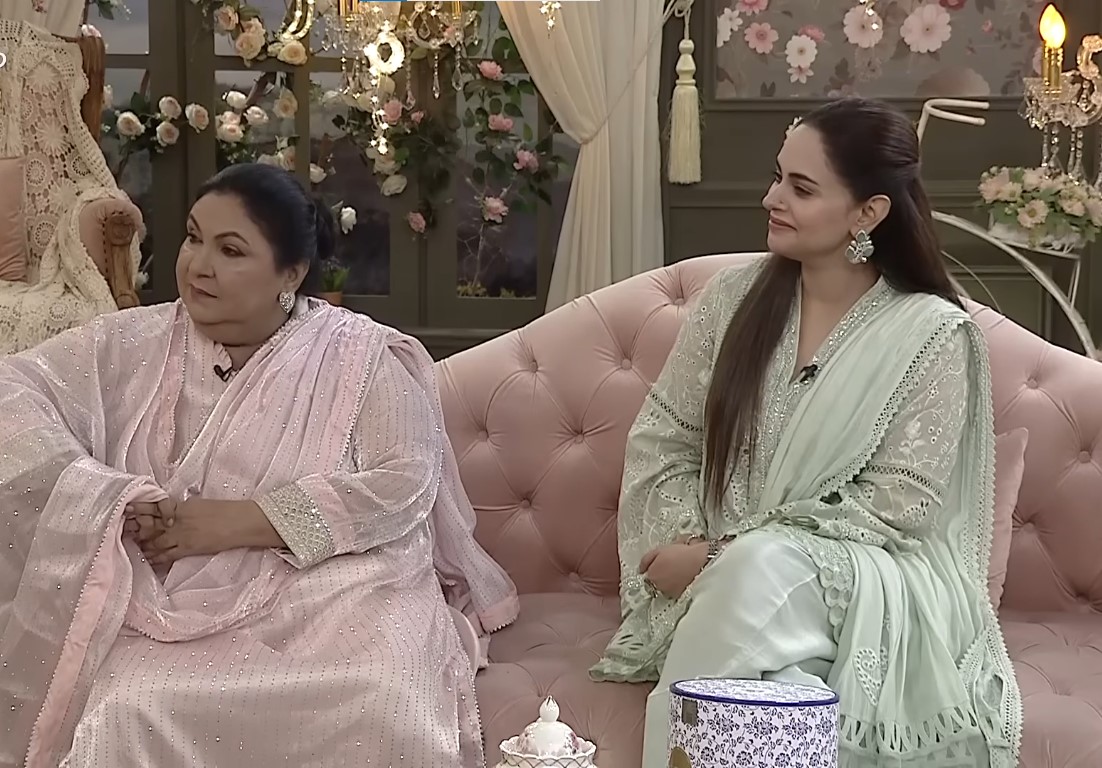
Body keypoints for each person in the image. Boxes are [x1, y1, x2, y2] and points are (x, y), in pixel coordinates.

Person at [0, 163, 519, 768]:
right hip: (177, 594)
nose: (198, 265)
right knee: (130, 705)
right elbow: (14, 393)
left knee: (386, 697)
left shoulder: (360, 354)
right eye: (193, 238)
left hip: (340, 587)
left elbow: (404, 482)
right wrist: (110, 494)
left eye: (230, 250)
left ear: (290, 274)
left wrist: (237, 522)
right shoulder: (132, 341)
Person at [591, 98, 1021, 767]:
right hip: (737, 591)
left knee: (759, 567)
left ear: (867, 213)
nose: (772, 198)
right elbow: (665, 441)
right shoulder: (731, 303)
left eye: (801, 188)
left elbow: (897, 506)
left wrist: (723, 555)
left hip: (869, 573)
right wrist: (688, 547)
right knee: (787, 689)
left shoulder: (933, 335)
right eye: (776, 177)